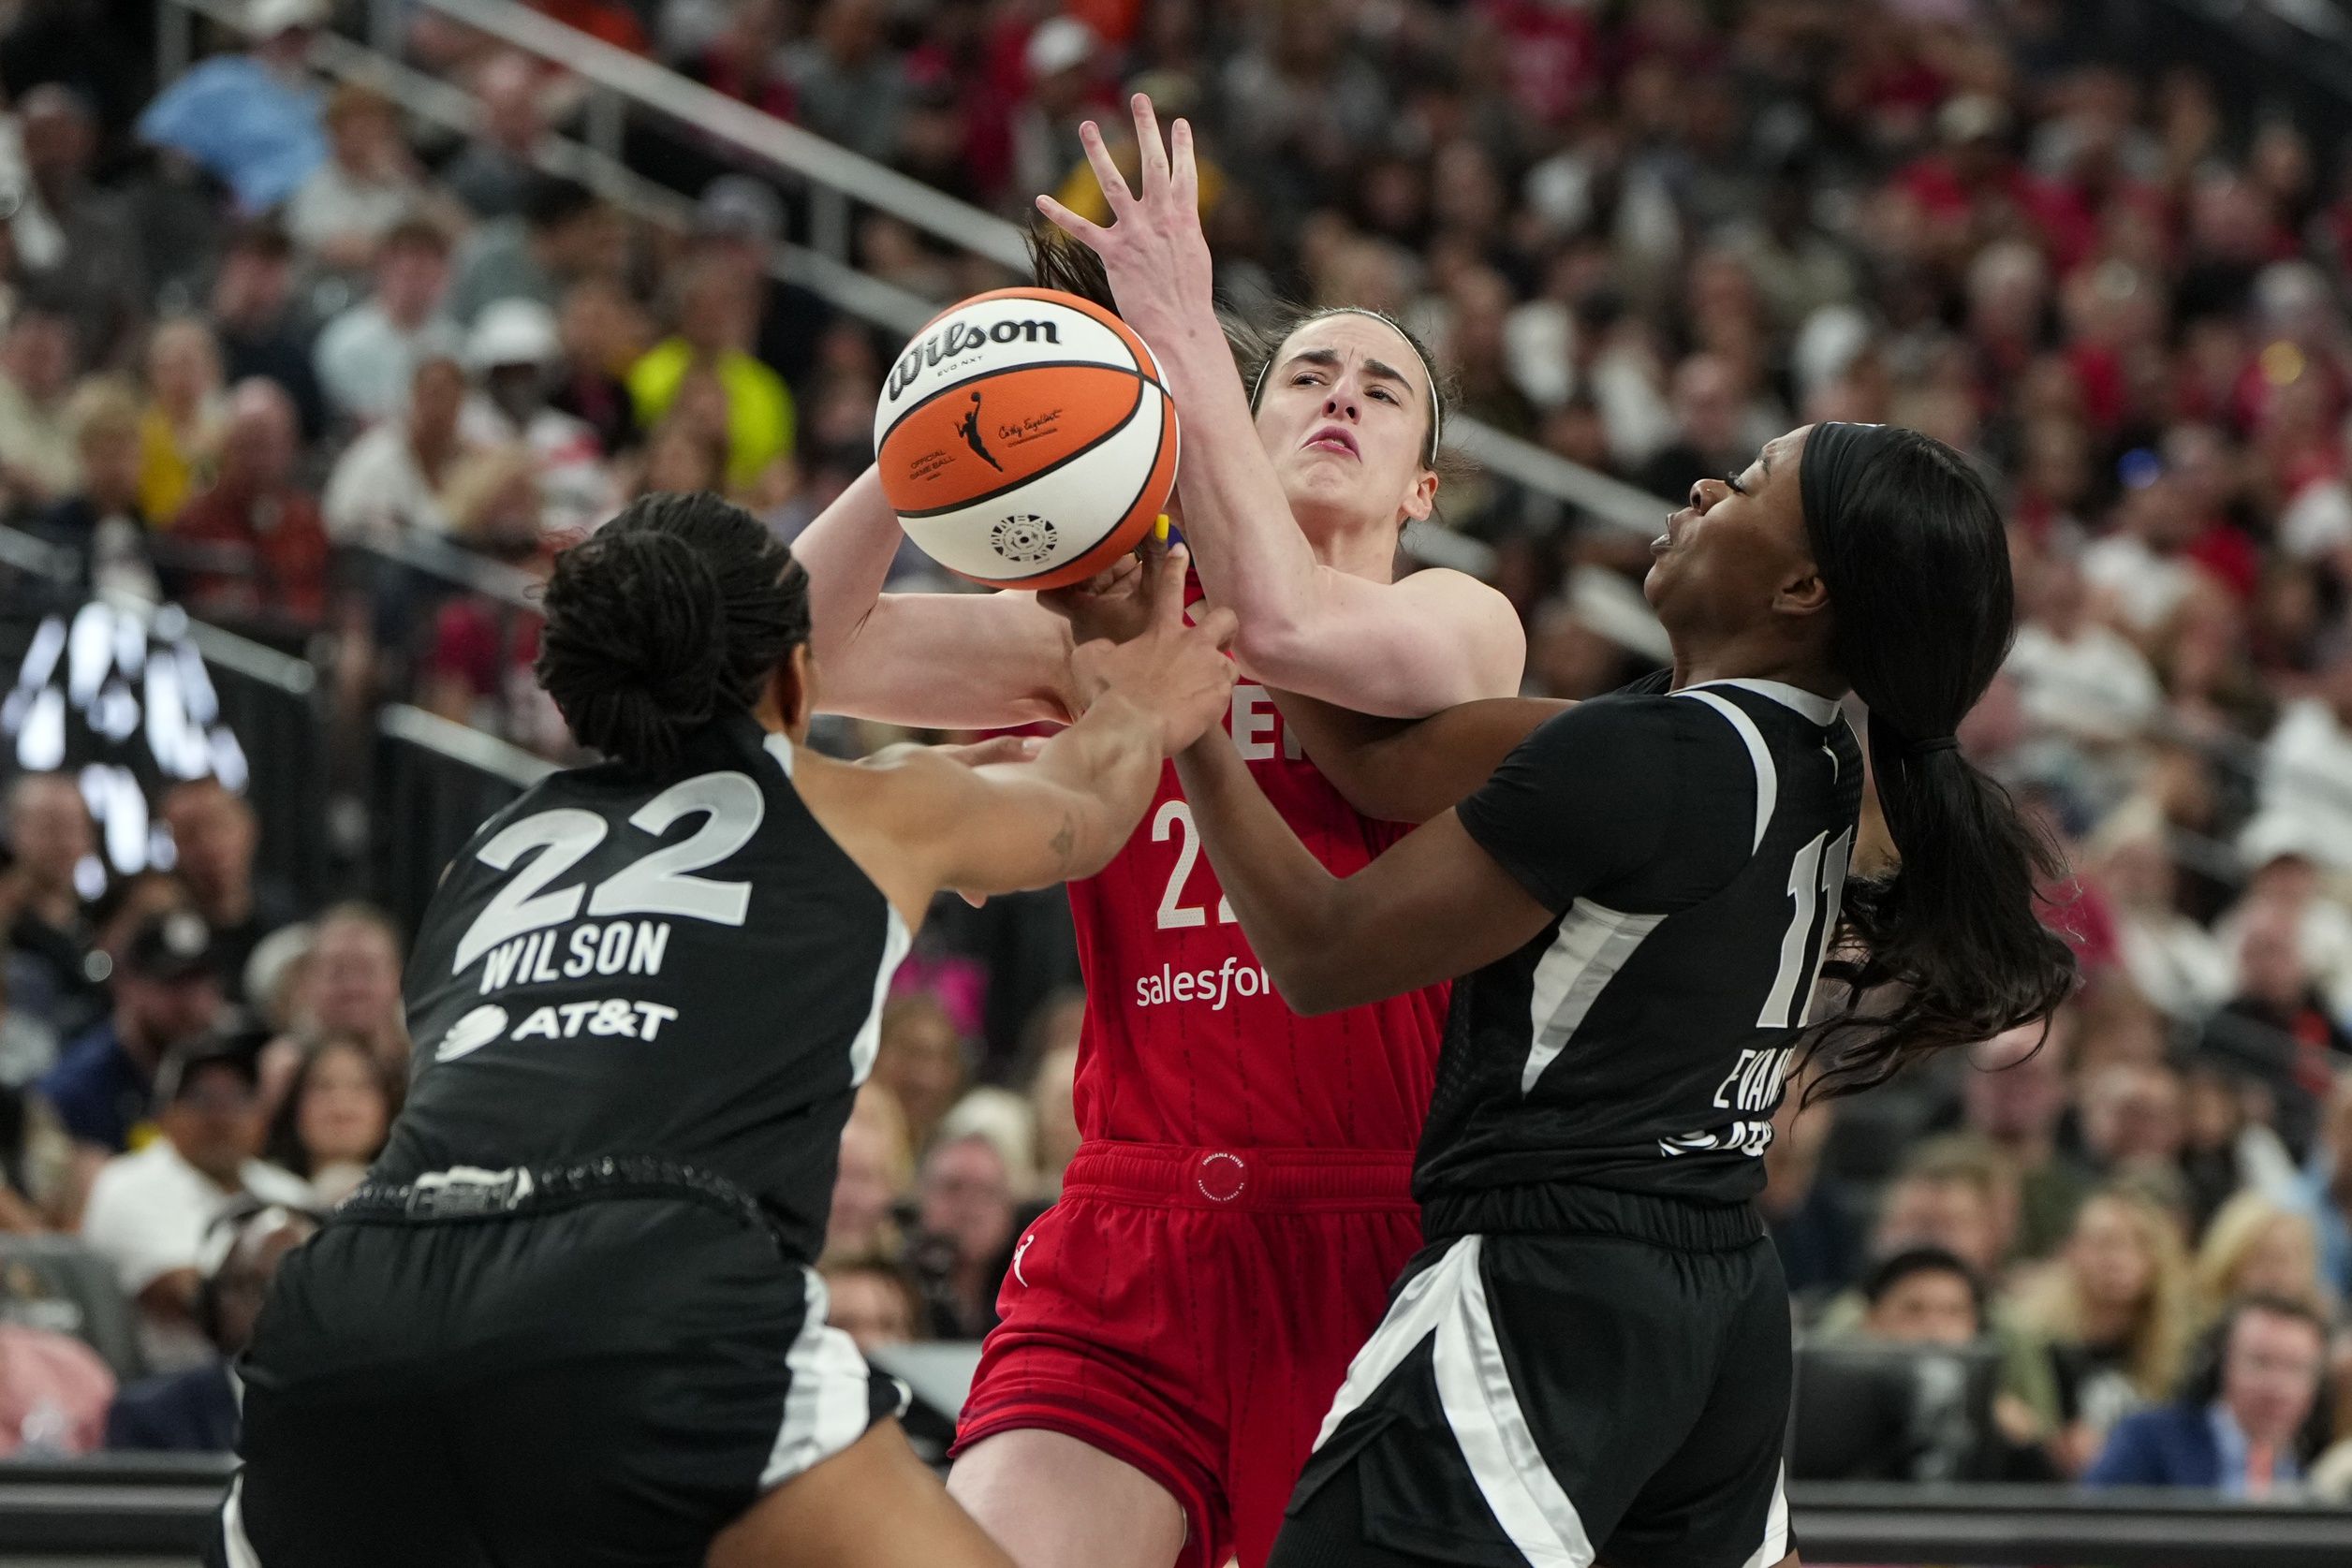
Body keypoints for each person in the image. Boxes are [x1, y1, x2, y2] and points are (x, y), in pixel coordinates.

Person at [222, 491, 1239, 1566]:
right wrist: (1143, 702)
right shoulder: (881, 806)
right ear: (797, 677)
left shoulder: (480, 860)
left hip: (356, 1295)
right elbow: (1088, 806)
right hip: (641, 1287)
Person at [796, 95, 1521, 1568]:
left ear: (1423, 488)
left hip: (1386, 1246)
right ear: (1232, 434)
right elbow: (799, 649)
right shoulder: (1104, 631)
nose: (1339, 394)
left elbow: (1289, 623)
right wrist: (935, 431)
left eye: (1383, 392)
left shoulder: (1459, 620)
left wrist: (1183, 321)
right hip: (1138, 1238)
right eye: (1306, 371)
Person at [1156, 412, 2076, 1564]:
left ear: (1800, 588)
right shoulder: (1820, 764)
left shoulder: (1642, 762)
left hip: (1551, 1284)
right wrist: (1270, 598)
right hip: (1720, 1301)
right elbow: (1379, 765)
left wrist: (1183, 720)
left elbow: (1320, 952)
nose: (1701, 486)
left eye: (1745, 485)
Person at [78, 1036, 312, 1371]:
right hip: (174, 1387)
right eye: (201, 1098)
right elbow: (199, 1301)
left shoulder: (291, 1192)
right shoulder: (127, 1184)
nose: (221, 1114)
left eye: (239, 1097)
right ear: (164, 1115)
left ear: (263, 1117)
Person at [107, 1203, 317, 1453]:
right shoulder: (150, 1416)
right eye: (250, 1287)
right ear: (210, 1302)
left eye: (295, 1288)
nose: (271, 1306)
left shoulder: (366, 1409)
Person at [2085, 1294, 2330, 1495]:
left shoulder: (2312, 1482)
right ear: (2222, 1364)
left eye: (2295, 1368)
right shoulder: (2149, 1441)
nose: (2276, 1387)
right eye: (2260, 1363)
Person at [158, 779, 300, 1008]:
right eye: (189, 834)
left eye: (218, 826)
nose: (208, 846)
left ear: (249, 828)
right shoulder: (162, 935)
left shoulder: (289, 928)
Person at [261, 1036, 397, 1205]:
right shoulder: (261, 1194)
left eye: (360, 1086)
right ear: (294, 1104)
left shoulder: (420, 1200)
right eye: (323, 1086)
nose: (341, 1104)